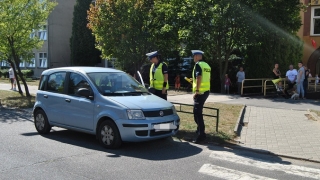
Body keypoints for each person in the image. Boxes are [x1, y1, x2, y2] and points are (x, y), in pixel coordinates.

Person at [191, 50, 211, 144]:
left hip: (200, 93)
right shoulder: (207, 65)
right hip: (206, 91)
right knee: (197, 112)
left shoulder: (198, 65)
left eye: (193, 56)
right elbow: (208, 78)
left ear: (197, 56)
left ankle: (201, 135)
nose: (193, 58)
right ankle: (199, 130)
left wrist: (197, 90)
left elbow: (199, 77)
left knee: (197, 113)